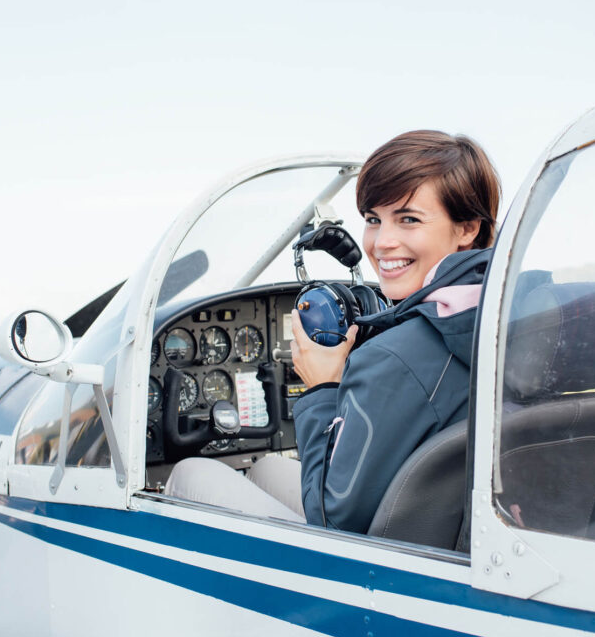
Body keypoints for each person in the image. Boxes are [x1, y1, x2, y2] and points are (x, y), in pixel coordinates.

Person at [165, 130, 500, 533]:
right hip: (452, 531)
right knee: (268, 466)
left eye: (408, 219)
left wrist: (323, 386)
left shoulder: (396, 358)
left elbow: (333, 522)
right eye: (374, 220)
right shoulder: (500, 318)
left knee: (191, 473)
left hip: (382, 562)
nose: (382, 243)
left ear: (467, 229)